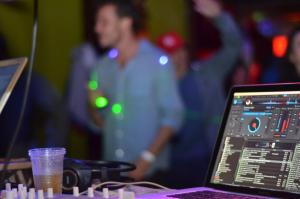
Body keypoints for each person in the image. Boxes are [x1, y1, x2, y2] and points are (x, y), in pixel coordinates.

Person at [88, 0, 183, 181]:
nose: (97, 28)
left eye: (104, 22)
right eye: (97, 22)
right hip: (112, 172)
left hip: (150, 174)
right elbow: (99, 124)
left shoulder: (157, 61)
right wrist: (94, 106)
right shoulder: (101, 67)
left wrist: (146, 159)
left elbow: (173, 117)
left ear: (125, 23)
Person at [157, 0, 242, 188]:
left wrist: (220, 18)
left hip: (205, 160)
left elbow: (234, 46)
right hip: (168, 162)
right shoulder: (156, 84)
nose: (177, 57)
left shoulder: (206, 74)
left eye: (180, 50)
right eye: (170, 52)